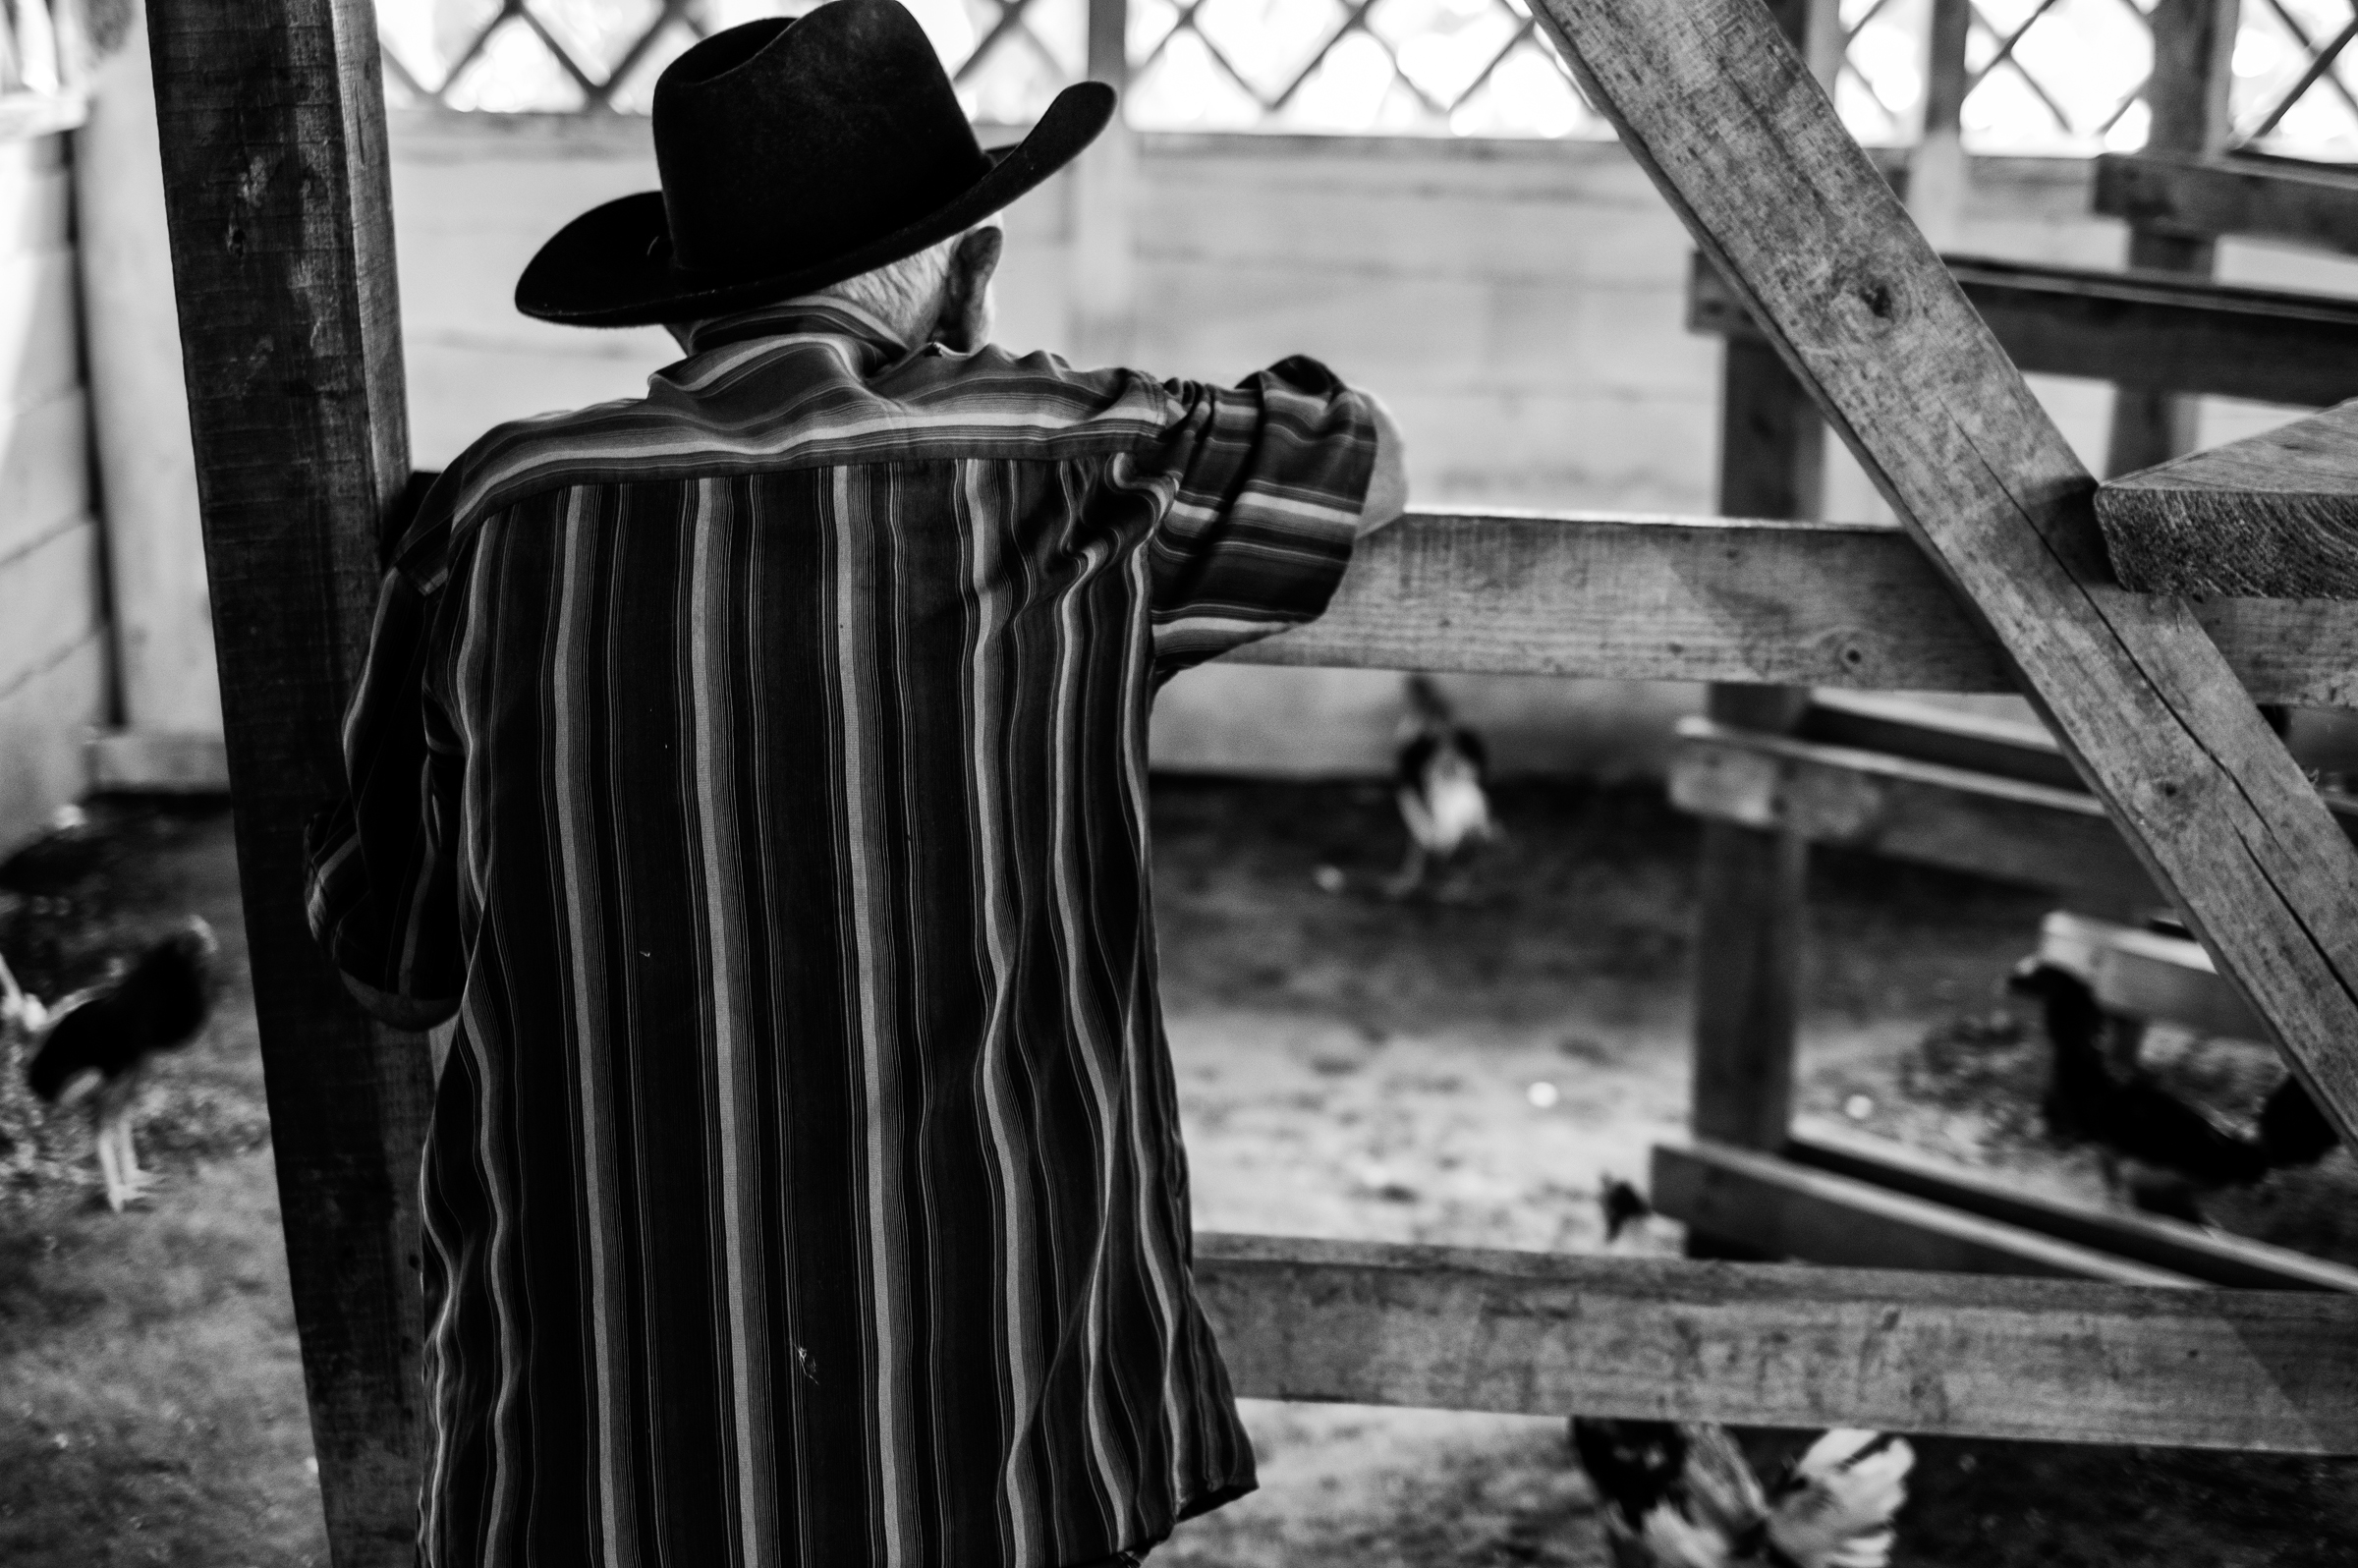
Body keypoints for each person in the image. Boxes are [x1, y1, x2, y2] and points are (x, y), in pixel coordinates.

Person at [304, 4, 1407, 1564]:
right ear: (970, 276)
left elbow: (385, 951)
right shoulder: (1084, 472)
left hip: (592, 1469)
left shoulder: (491, 520)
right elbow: (1357, 458)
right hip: (999, 1462)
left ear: (685, 316)